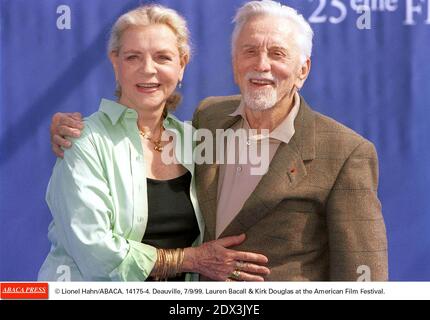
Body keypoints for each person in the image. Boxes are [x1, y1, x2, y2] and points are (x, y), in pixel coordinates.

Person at [49, 0, 388, 280]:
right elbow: (93, 247)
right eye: (250, 51)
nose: (262, 65)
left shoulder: (345, 152)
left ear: (303, 69)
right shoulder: (209, 120)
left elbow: (364, 275)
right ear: (234, 61)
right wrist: (189, 260)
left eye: (278, 54)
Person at [39, 4, 271, 282]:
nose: (148, 70)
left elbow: (264, 111)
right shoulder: (83, 140)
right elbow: (96, 253)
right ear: (115, 63)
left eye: (162, 57)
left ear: (182, 65)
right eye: (133, 57)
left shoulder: (196, 140)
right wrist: (191, 260)